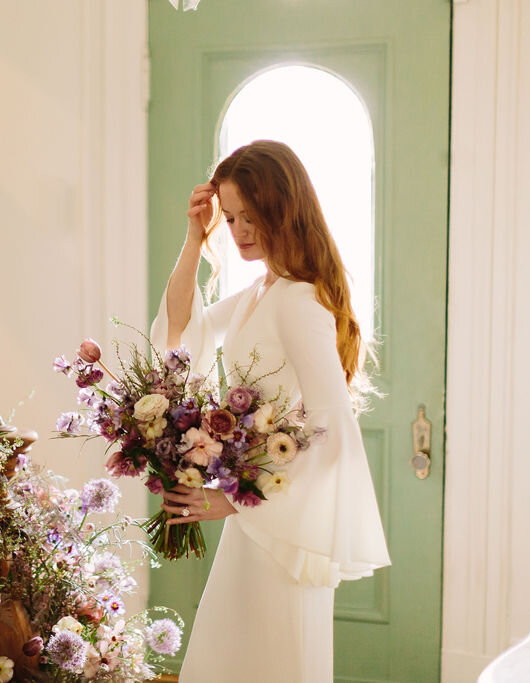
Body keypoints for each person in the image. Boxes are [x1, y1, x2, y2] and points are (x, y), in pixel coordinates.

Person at [149, 140, 391, 682]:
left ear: (284, 209)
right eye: (231, 217)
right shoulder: (263, 292)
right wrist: (194, 240)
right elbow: (181, 328)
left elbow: (331, 428)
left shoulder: (300, 301)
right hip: (257, 525)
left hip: (279, 532)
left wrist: (235, 502)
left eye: (251, 216)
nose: (239, 231)